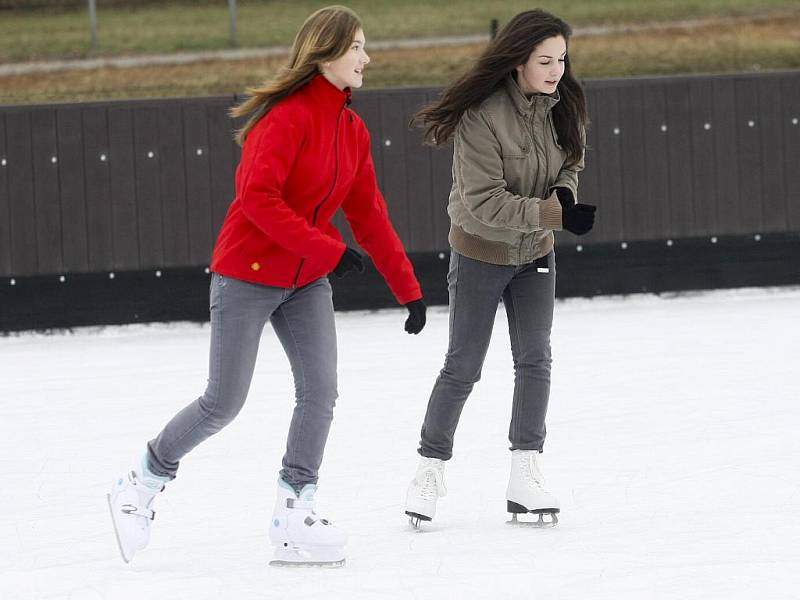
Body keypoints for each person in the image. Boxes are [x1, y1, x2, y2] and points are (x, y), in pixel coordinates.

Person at [108, 5, 427, 568]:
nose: (366, 57)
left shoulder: (351, 129)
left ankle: (293, 512)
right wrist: (329, 250)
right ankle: (142, 478)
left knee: (320, 392)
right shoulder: (285, 118)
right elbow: (258, 200)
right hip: (247, 277)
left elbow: (369, 213)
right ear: (326, 52)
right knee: (223, 401)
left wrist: (407, 287)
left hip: (304, 283)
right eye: (356, 47)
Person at [404, 9, 595, 529]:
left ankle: (525, 472)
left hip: (535, 254)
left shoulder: (565, 104)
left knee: (535, 359)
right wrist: (556, 214)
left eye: (562, 58)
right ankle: (428, 469)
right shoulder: (481, 116)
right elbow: (485, 202)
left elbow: (570, 163)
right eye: (545, 60)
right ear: (518, 62)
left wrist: (564, 195)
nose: (557, 69)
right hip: (480, 253)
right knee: (463, 365)